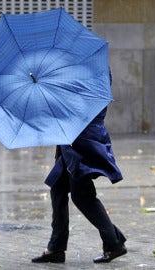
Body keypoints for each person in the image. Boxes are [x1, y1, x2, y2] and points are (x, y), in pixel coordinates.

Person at [31, 106, 127, 264]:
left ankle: (114, 243)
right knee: (58, 189)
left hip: (80, 144)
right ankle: (56, 248)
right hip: (72, 142)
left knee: (82, 196)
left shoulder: (91, 82)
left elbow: (81, 110)